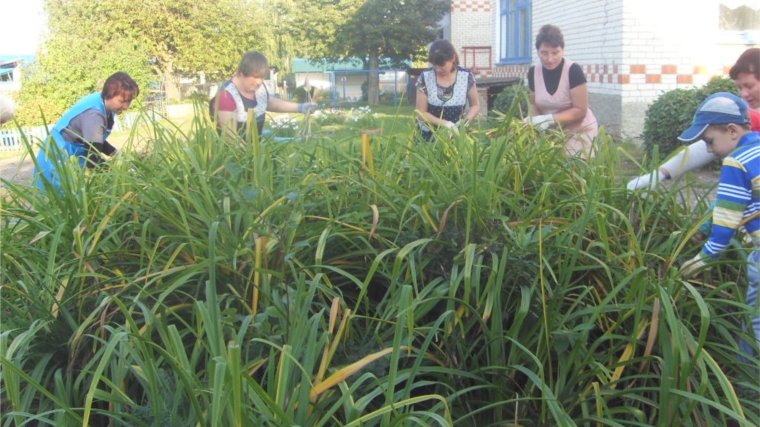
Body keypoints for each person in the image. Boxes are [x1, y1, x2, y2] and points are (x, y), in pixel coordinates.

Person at [678, 93, 760, 359]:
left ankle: (748, 390)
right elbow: (731, 204)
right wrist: (702, 227)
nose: (710, 149)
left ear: (732, 131)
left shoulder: (736, 161)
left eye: (710, 141)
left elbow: (726, 223)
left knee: (754, 326)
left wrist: (703, 259)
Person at [627, 48, 760, 190]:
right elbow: (708, 144)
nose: (744, 94)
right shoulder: (746, 115)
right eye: (739, 87)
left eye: (749, 86)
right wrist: (661, 174)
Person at [34, 71, 139, 191]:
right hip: (58, 155)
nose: (126, 106)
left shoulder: (104, 103)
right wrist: (118, 175)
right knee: (59, 198)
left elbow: (94, 138)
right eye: (122, 101)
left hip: (72, 151)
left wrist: (115, 153)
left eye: (129, 101)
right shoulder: (94, 115)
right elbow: (92, 159)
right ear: (110, 94)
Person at [524, 25, 598, 158]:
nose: (550, 59)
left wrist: (548, 119)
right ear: (537, 51)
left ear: (562, 50)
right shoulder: (533, 72)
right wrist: (535, 124)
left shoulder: (573, 71)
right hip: (551, 132)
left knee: (572, 171)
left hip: (577, 131)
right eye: (544, 53)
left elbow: (580, 110)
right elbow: (534, 103)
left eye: (555, 52)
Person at [209, 51, 316, 141]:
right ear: (241, 73)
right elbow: (231, 140)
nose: (259, 82)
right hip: (233, 158)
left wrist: (300, 107)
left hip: (256, 154)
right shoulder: (226, 96)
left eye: (262, 77)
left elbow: (269, 102)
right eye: (255, 77)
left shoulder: (258, 88)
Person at [415, 39, 480, 141]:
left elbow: (475, 105)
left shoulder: (466, 76)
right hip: (428, 135)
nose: (438, 69)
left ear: (453, 58)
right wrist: (446, 124)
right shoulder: (425, 78)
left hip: (456, 135)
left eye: (441, 65)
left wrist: (464, 122)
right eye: (434, 65)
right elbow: (421, 113)